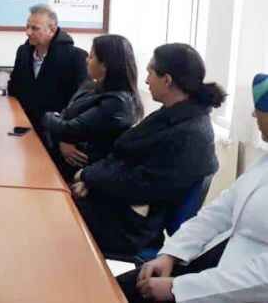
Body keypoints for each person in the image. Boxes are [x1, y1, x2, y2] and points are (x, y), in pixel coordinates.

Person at [116, 73, 268, 303]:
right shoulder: (263, 164)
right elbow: (218, 213)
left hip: (237, 290)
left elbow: (261, 279)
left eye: (259, 109)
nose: (253, 115)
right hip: (212, 268)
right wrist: (171, 254)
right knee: (115, 288)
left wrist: (179, 288)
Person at [70, 43, 224, 256]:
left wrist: (88, 176)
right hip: (121, 207)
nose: (146, 80)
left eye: (150, 73)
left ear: (167, 80)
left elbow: (138, 183)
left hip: (131, 227)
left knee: (59, 216)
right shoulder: (174, 114)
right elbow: (124, 160)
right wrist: (90, 179)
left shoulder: (189, 134)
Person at [41, 34, 143, 180]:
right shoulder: (90, 85)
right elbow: (66, 116)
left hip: (84, 173)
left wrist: (48, 117)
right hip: (60, 157)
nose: (86, 60)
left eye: (91, 56)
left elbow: (69, 128)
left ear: (105, 65)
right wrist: (63, 140)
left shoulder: (117, 102)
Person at [8, 4, 88, 135]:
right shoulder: (23, 52)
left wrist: (65, 135)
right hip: (23, 126)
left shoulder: (76, 57)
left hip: (57, 132)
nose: (28, 32)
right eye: (27, 27)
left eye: (35, 28)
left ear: (52, 29)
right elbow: (14, 88)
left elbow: (79, 103)